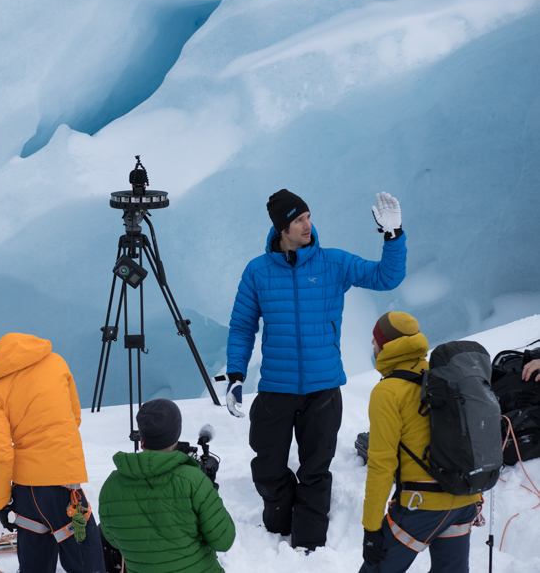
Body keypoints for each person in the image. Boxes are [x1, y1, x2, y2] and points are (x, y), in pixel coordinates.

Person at [225, 189, 407, 551]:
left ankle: (309, 541)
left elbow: (385, 277)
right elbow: (243, 325)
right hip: (275, 387)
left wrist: (393, 235)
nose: (307, 225)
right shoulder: (257, 271)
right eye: (298, 220)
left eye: (308, 216)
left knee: (315, 471)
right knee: (268, 467)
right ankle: (276, 527)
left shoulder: (333, 263)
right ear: (282, 228)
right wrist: (235, 374)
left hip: (322, 389)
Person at [0, 334, 105, 573]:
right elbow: (73, 416)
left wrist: (1, 503)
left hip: (27, 491)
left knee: (35, 562)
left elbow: (1, 454)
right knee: (85, 559)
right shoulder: (55, 361)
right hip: (65, 485)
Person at [360, 312, 481, 573]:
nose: (372, 346)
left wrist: (371, 528)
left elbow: (382, 464)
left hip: (420, 506)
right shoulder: (446, 377)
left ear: (386, 345)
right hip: (464, 500)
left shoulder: (388, 391)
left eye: (374, 340)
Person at [98, 399, 235, 573]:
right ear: (176, 433)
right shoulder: (193, 480)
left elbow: (113, 539)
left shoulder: (111, 486)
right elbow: (224, 540)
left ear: (141, 434)